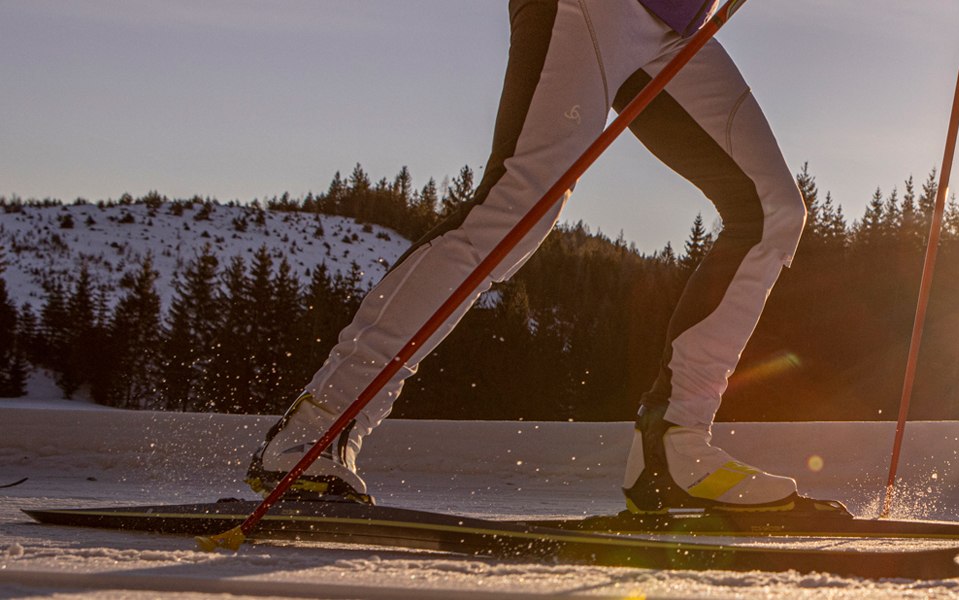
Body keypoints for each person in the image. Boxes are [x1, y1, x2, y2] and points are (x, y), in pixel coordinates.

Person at [248, 0, 840, 515]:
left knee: (771, 211)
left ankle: (674, 451)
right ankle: (316, 431)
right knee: (517, 208)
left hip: (679, 27)